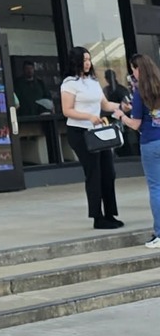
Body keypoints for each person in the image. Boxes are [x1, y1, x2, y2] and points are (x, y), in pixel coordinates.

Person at [60, 46, 129, 230]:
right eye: (84, 60)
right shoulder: (69, 83)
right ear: (76, 62)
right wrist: (89, 117)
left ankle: (110, 213)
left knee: (109, 171)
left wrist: (121, 106)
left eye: (89, 59)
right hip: (80, 132)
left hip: (98, 132)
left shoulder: (92, 81)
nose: (88, 63)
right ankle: (97, 217)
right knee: (94, 173)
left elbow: (104, 103)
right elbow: (67, 111)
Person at [116, 54, 160, 249]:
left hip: (150, 143)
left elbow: (135, 124)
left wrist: (121, 116)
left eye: (133, 69)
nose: (132, 73)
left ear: (138, 69)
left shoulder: (139, 91)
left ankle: (159, 233)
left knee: (156, 188)